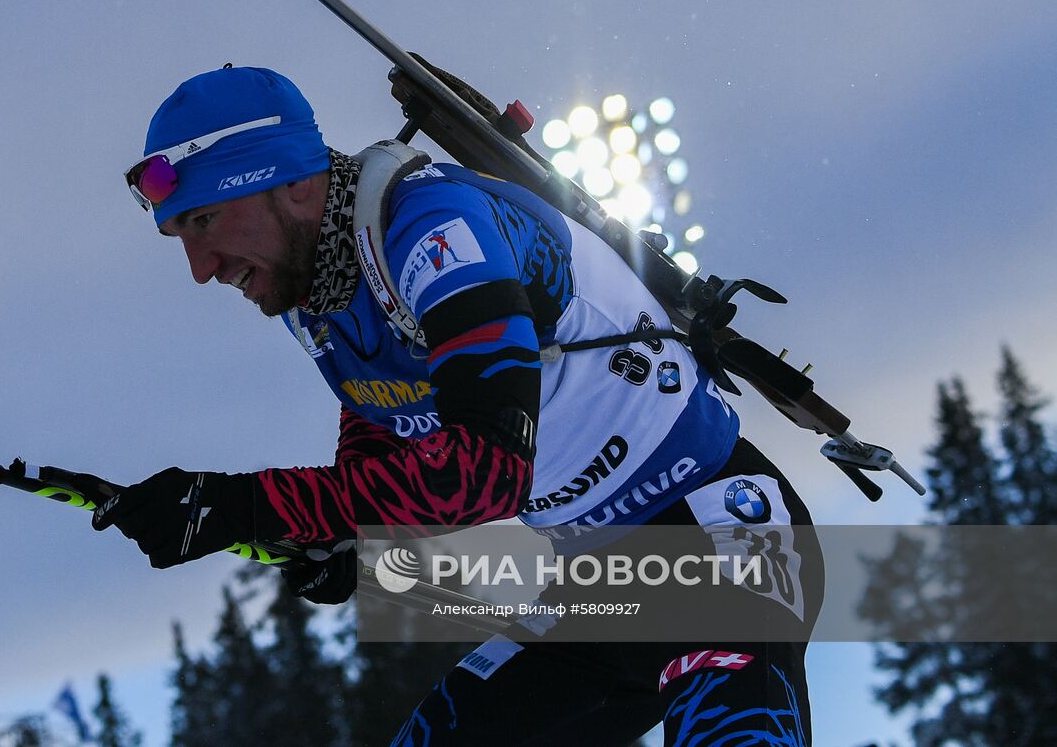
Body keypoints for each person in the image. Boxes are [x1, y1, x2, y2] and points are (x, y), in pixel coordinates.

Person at [94, 64, 822, 745]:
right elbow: (386, 418)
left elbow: (487, 468)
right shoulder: (310, 291)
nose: (200, 269)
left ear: (287, 183)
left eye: (205, 221)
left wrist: (248, 506)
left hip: (719, 529)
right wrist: (346, 536)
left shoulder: (434, 226)